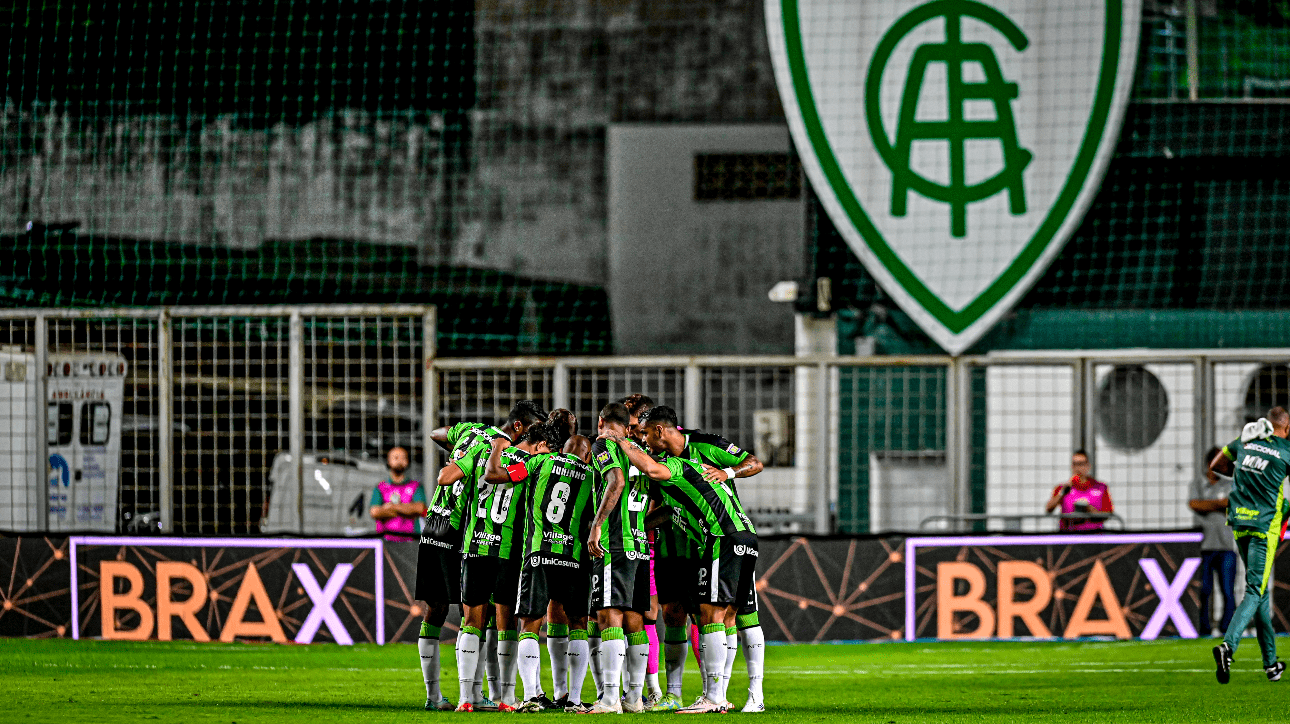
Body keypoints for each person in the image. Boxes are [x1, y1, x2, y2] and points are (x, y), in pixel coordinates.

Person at [608, 405, 761, 714]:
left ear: (660, 430)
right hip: (745, 537)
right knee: (726, 615)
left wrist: (620, 441)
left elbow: (652, 469)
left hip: (721, 538)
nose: (643, 440)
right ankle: (726, 696)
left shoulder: (679, 463)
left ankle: (714, 697)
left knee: (712, 615)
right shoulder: (688, 470)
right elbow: (666, 509)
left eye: (645, 433)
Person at [435, 400, 548, 712]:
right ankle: (507, 697)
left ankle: (465, 698)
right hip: (507, 552)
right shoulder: (530, 464)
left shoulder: (483, 451)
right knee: (506, 625)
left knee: (471, 623)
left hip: (475, 547)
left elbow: (450, 476)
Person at [511, 425, 594, 712]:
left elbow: (508, 474)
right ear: (587, 456)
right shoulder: (591, 475)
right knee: (578, 624)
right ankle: (574, 699)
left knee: (530, 624)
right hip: (573, 558)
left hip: (539, 553)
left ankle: (530, 697)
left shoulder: (540, 461)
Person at [584, 402, 655, 714]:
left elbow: (617, 481)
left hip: (614, 542)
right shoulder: (640, 451)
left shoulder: (604, 445)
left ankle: (610, 698)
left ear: (601, 422)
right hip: (639, 544)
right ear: (628, 427)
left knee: (608, 615)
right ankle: (634, 698)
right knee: (635, 619)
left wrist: (596, 525)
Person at [1211, 407, 1290, 684]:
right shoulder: (1286, 450)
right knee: (1255, 590)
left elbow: (1217, 465)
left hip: (1240, 522)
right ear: (1287, 428)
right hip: (1264, 528)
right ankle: (1228, 647)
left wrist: (1248, 475)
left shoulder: (1246, 440)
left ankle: (1271, 664)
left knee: (1261, 592)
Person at [1189, 445, 1237, 636]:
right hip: (1203, 546)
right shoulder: (1197, 484)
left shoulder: (1230, 484)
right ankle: (1204, 628)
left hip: (1227, 545)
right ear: (1210, 463)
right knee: (1204, 590)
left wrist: (1208, 504)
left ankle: (1227, 628)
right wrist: (1218, 504)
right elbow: (1194, 504)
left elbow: (1232, 504)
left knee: (1228, 590)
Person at [369, 446, 427, 542]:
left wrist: (390, 507)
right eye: (396, 458)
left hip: (412, 540)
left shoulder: (416, 486)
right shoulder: (380, 487)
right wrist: (408, 510)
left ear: (408, 461)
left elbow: (420, 509)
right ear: (388, 461)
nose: (399, 461)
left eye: (403, 458)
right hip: (385, 540)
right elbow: (374, 512)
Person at [1045, 449, 1113, 531]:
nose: (1078, 468)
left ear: (1088, 466)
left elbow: (1108, 514)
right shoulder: (1062, 488)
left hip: (1094, 534)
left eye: (1081, 464)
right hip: (1069, 534)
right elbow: (1049, 509)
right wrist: (1062, 492)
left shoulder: (1101, 487)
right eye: (1075, 464)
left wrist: (1090, 510)